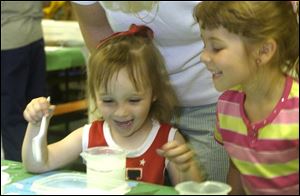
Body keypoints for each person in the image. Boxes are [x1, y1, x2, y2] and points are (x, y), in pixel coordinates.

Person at [22, 24, 203, 185]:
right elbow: (38, 164)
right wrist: (36, 125)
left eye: (133, 100)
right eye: (108, 101)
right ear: (95, 96)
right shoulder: (88, 137)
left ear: (154, 92)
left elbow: (192, 191)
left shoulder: (168, 140)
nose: (121, 112)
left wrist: (187, 167)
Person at [71, 1, 229, 182]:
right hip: (139, 104)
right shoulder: (129, 106)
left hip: (211, 100)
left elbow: (244, 37)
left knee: (207, 185)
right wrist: (130, 99)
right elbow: (97, 29)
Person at [195, 1, 299, 195]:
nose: (203, 56)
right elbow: (237, 169)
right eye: (204, 45)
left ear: (264, 51)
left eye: (216, 47)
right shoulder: (226, 106)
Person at [1, 2, 47, 161]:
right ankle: (39, 162)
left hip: (8, 40)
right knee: (38, 111)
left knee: (12, 116)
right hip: (34, 36)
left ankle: (21, 170)